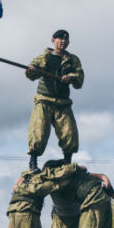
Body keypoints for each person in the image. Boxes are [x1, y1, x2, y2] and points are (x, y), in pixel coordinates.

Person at [25, 29, 84, 171]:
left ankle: (67, 162)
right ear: (53, 40)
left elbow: (79, 80)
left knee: (69, 133)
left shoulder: (72, 59)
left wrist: (71, 77)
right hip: (44, 100)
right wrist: (31, 70)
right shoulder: (44, 56)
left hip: (63, 103)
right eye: (59, 39)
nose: (63, 42)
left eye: (65, 40)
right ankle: (33, 164)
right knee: (38, 132)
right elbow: (31, 74)